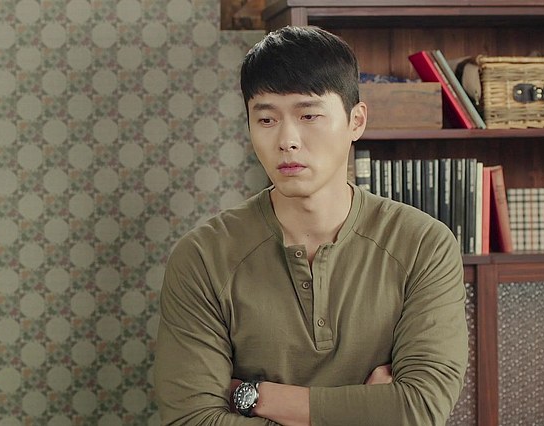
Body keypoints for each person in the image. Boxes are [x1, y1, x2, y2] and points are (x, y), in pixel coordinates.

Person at [154, 26, 468, 425]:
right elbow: (191, 420)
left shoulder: (423, 244)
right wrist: (367, 412)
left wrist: (256, 397)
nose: (287, 140)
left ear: (356, 121)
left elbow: (420, 408)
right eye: (266, 119)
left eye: (309, 115)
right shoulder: (202, 257)